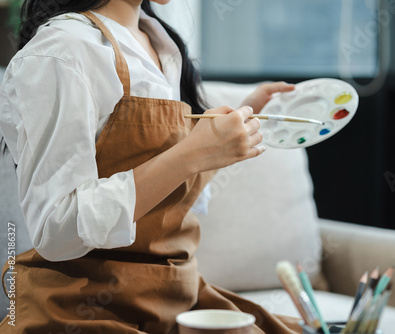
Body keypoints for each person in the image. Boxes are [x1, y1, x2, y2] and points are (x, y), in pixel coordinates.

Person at [0, 0, 300, 333]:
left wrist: (240, 115)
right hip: (82, 307)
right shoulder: (61, 51)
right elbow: (55, 228)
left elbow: (168, 184)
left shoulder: (159, 42)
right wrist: (191, 153)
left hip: (175, 294)